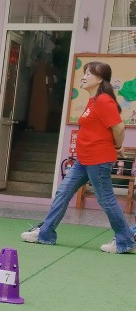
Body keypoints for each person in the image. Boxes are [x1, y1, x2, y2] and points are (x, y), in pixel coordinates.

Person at [21, 60, 134, 254]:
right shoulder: (93, 100)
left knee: (106, 199)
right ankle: (45, 234)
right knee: (63, 193)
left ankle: (125, 240)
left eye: (88, 74)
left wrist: (117, 146)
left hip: (98, 159)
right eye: (84, 73)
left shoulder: (104, 100)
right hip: (84, 159)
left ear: (99, 79)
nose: (84, 77)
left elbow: (119, 127)